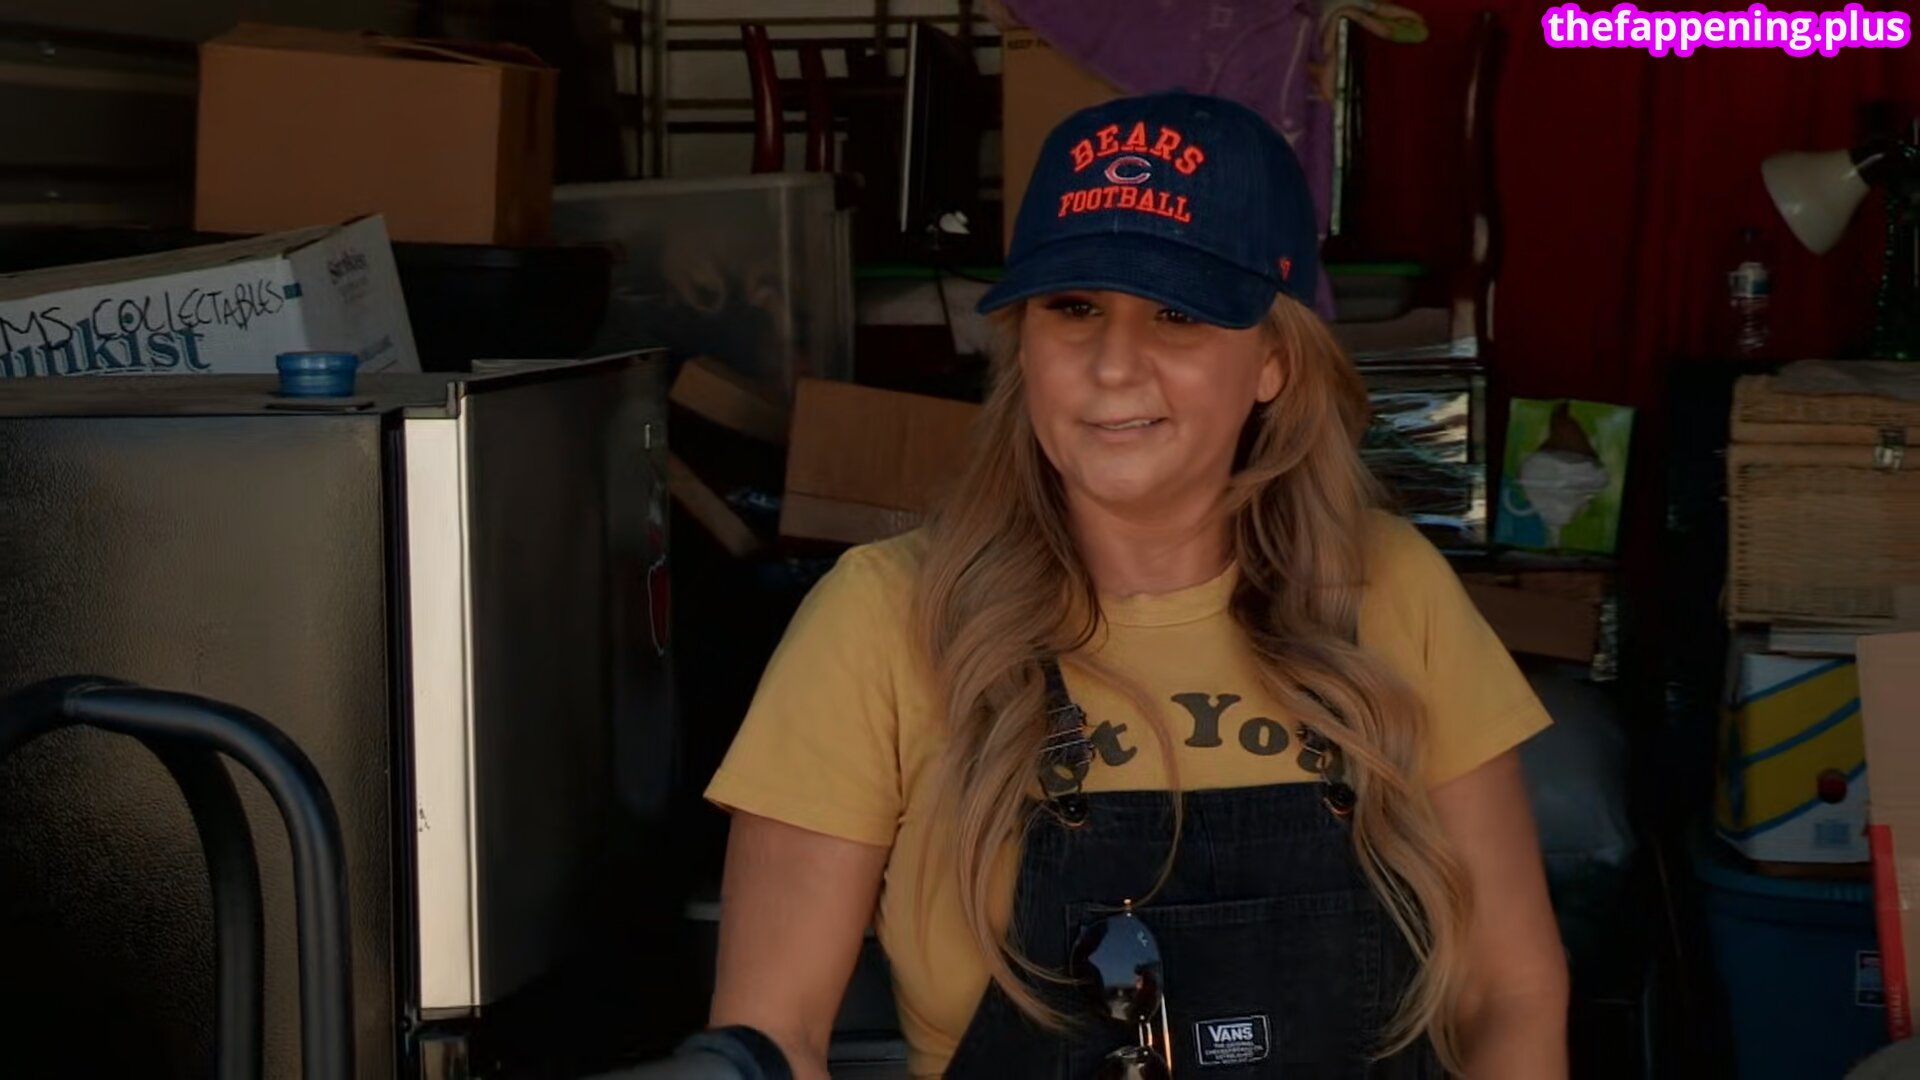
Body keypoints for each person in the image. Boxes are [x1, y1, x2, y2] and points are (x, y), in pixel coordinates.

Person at [702, 90, 1568, 1079]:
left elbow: (1513, 995)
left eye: (1177, 314)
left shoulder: (1388, 591)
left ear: (1274, 360)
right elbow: (772, 1039)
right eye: (1073, 309)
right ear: (1023, 344)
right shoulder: (882, 618)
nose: (1114, 365)